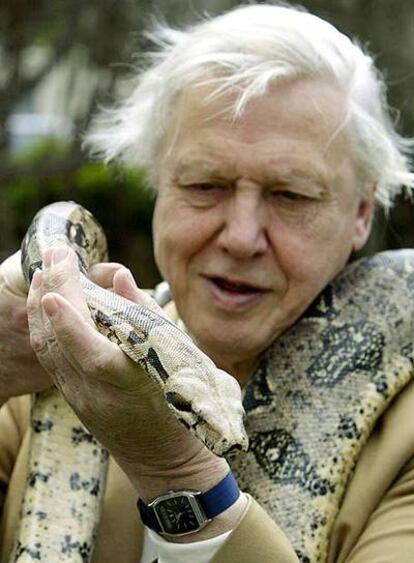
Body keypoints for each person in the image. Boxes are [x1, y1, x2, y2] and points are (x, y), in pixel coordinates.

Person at [1, 3, 414, 562]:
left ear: (362, 213)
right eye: (204, 185)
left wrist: (178, 472)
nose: (241, 238)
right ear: (158, 187)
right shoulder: (41, 370)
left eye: (290, 195)